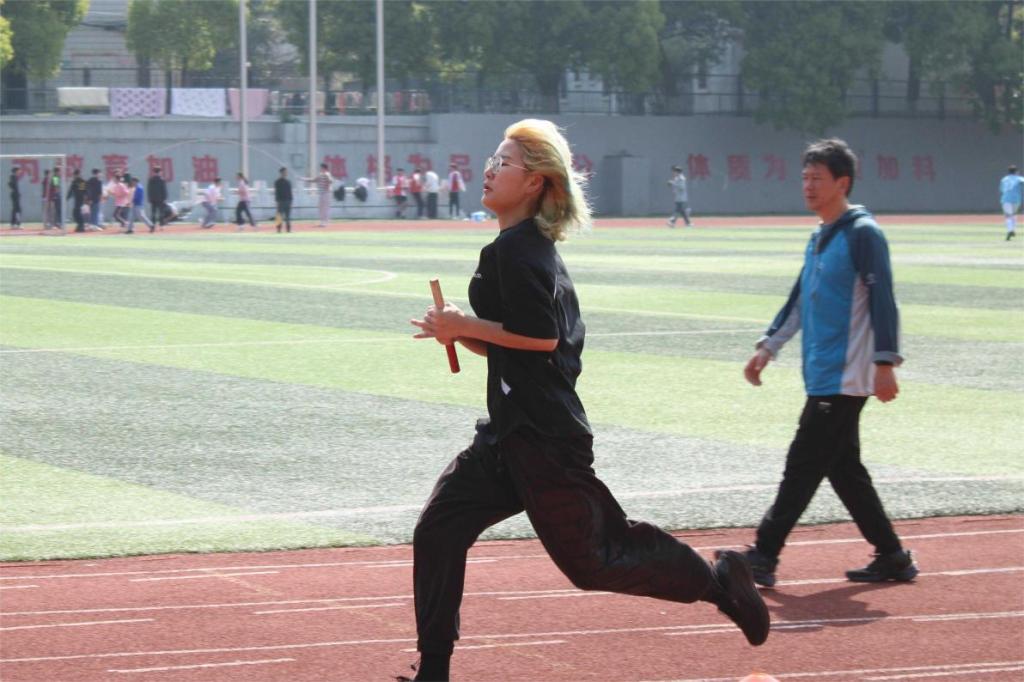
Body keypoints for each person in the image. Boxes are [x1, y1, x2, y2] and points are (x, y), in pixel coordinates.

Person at [405, 119, 769, 682]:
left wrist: (465, 324)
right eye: (492, 159)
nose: (489, 169)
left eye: (503, 162)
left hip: (544, 441)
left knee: (596, 559)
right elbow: (516, 346)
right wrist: (458, 331)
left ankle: (720, 583)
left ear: (535, 182)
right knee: (440, 528)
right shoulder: (521, 248)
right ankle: (434, 670)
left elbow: (540, 337)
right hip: (510, 434)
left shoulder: (521, 251)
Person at [741, 138, 918, 588]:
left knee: (802, 463)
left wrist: (885, 363)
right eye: (804, 177)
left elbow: (883, 299)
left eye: (817, 178)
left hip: (846, 374)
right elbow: (800, 300)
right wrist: (768, 348)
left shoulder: (863, 234)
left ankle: (763, 554)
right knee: (843, 468)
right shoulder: (820, 236)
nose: (808, 186)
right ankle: (892, 556)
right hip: (822, 371)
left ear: (843, 182)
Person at [304, 163, 333, 227]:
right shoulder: (321, 175)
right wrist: (304, 179)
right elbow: (314, 180)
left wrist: (327, 186)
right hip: (322, 193)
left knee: (325, 208)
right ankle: (323, 221)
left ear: (324, 168)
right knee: (321, 208)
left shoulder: (327, 174)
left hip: (326, 193)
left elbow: (330, 181)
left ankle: (325, 222)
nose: (320, 169)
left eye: (321, 168)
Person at [998, 165, 1023, 241]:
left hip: (1006, 199)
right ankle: (1013, 229)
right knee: (1014, 214)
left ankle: (1010, 230)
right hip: (1016, 199)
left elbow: (1001, 189)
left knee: (1008, 216)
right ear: (1016, 171)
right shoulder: (1019, 178)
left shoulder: (1004, 179)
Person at [66, 168, 88, 233]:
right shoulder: (74, 181)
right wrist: (67, 197)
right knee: (75, 213)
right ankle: (80, 225)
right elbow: (70, 190)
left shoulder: (81, 181)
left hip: (80, 199)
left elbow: (83, 191)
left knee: (77, 212)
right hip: (77, 198)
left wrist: (85, 199)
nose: (74, 176)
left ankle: (81, 226)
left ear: (77, 174)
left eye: (75, 175)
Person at [274, 167, 293, 233]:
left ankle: (288, 229)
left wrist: (291, 200)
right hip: (281, 201)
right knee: (279, 216)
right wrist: (277, 201)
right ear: (281, 173)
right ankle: (278, 229)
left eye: (286, 172)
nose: (286, 173)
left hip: (288, 201)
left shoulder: (288, 182)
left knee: (288, 216)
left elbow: (290, 192)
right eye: (285, 172)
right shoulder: (277, 182)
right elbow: (277, 192)